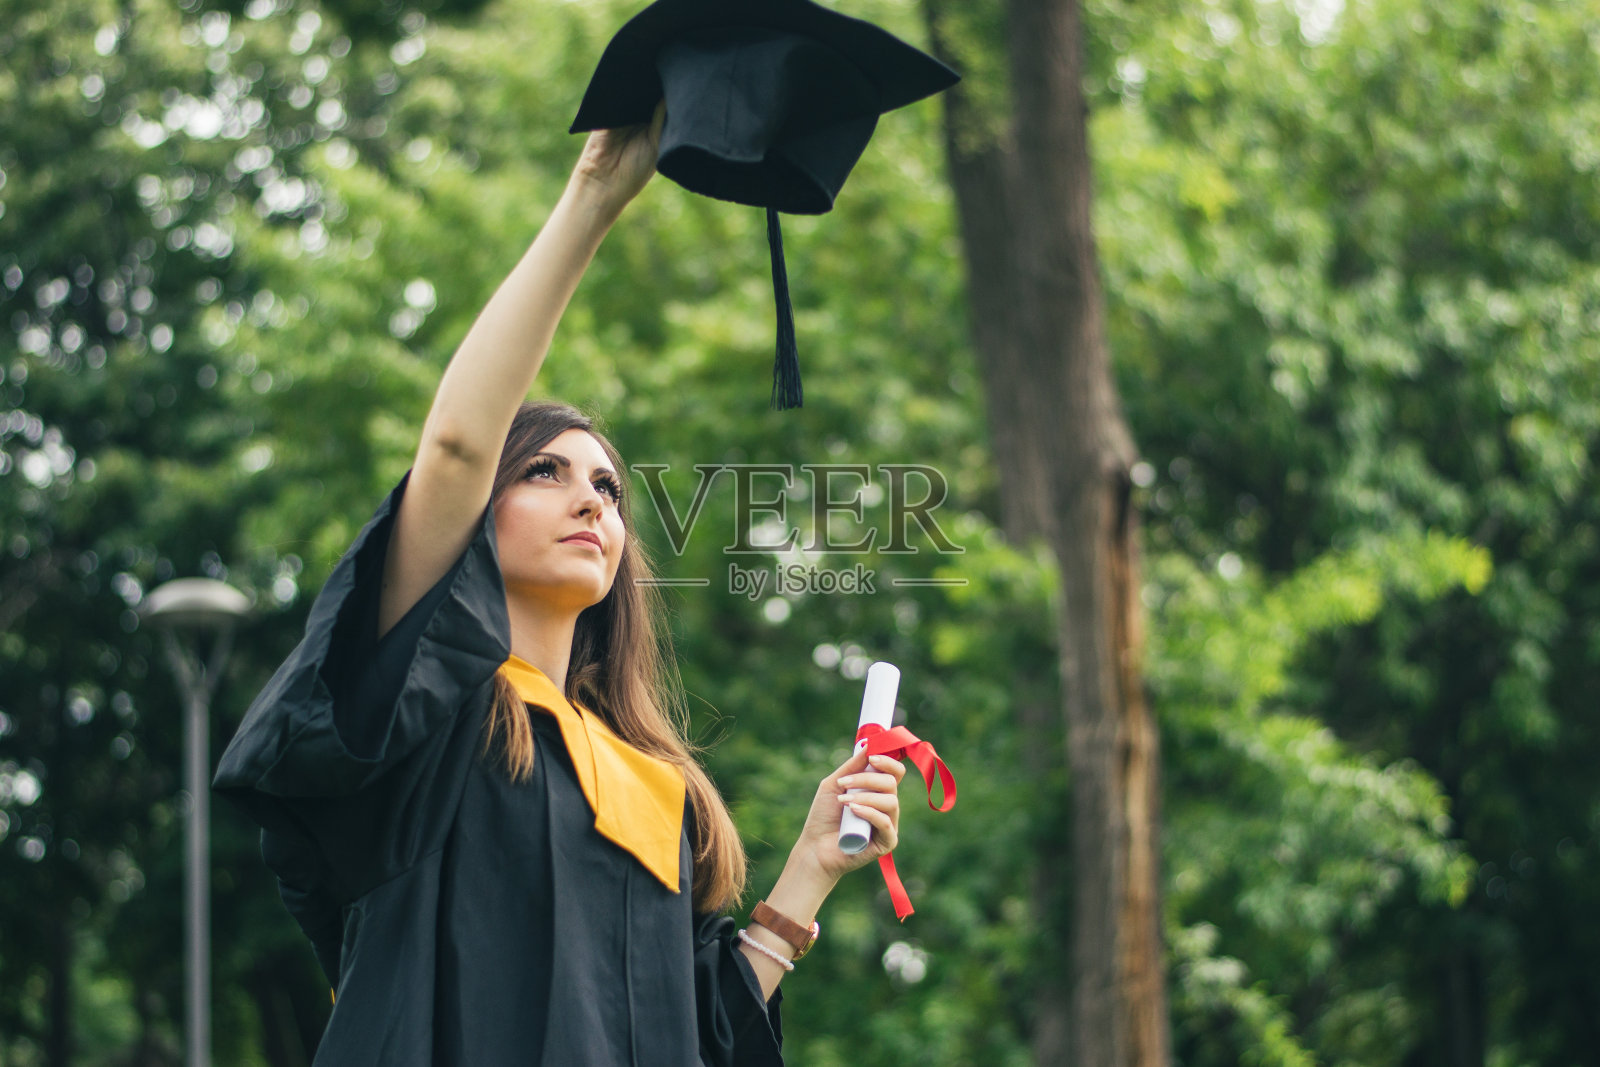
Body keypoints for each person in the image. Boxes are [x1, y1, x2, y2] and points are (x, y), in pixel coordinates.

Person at [212, 106, 909, 1065]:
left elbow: (690, 1031)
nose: (589, 501)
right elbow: (456, 445)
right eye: (544, 472)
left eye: (610, 489)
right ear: (478, 514)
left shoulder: (651, 785)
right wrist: (593, 197)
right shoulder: (427, 722)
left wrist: (812, 865)